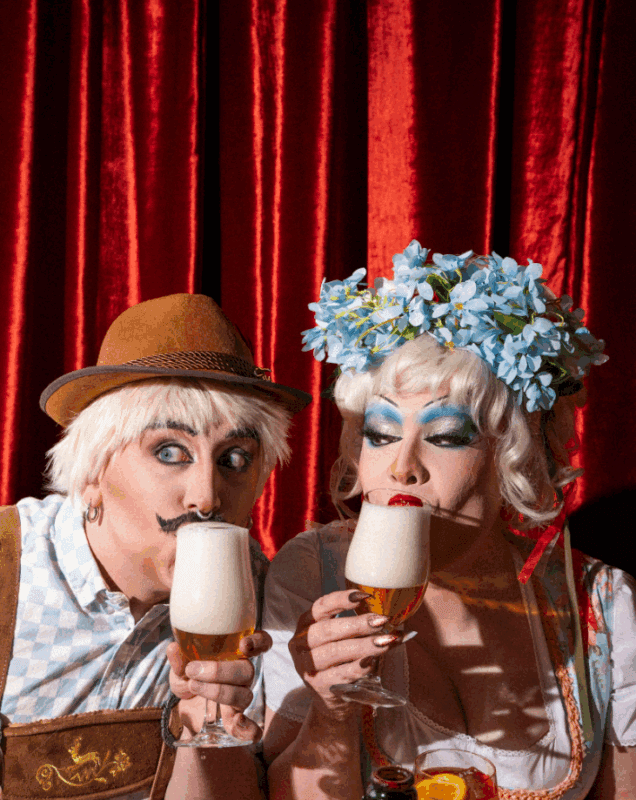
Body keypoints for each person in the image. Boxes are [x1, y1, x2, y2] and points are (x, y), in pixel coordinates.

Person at [262, 242, 636, 798]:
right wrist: (331, 710)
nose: (402, 467)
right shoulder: (315, 574)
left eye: (445, 437)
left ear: (514, 457)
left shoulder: (604, 608)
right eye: (381, 434)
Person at [0, 293, 310, 800]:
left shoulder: (261, 605)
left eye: (234, 459)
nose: (207, 497)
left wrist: (205, 729)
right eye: (170, 452)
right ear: (93, 471)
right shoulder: (8, 564)